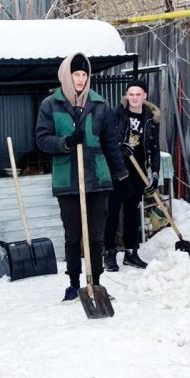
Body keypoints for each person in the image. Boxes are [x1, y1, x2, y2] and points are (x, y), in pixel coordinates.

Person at [35, 53, 129, 301]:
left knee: (96, 236)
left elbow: (110, 143)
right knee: (73, 235)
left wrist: (121, 174)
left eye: (84, 74)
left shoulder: (100, 105)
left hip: (97, 179)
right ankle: (74, 283)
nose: (80, 79)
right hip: (68, 181)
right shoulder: (50, 104)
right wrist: (65, 142)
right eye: (76, 74)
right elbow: (42, 139)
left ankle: (96, 282)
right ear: (67, 75)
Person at [104, 78, 162, 272]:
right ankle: (109, 254)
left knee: (132, 215)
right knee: (112, 214)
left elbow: (154, 149)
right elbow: (107, 140)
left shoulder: (150, 119)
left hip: (137, 173)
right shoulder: (117, 114)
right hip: (117, 171)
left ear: (144, 96)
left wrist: (154, 173)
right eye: (131, 94)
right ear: (126, 95)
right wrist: (120, 147)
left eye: (138, 94)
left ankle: (131, 253)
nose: (134, 98)